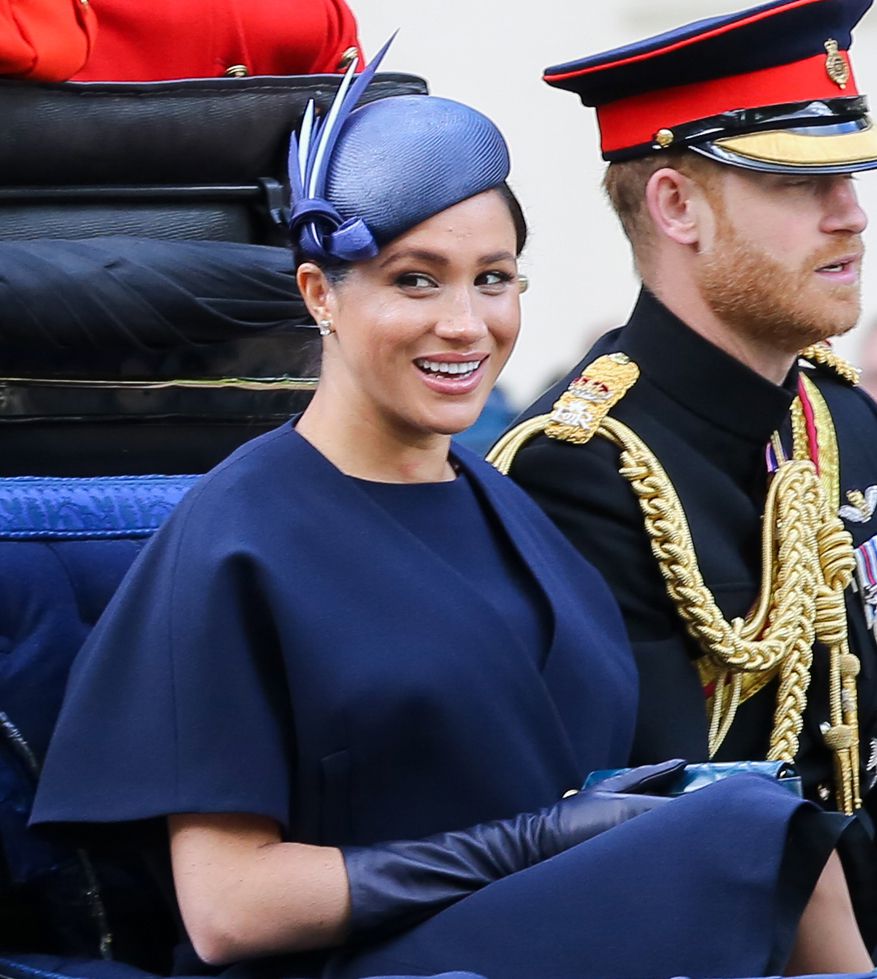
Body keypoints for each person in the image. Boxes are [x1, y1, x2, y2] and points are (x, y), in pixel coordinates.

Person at [28, 44, 875, 979]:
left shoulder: (508, 510)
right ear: (320, 293)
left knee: (781, 837)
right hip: (364, 964)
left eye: (493, 278)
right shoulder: (237, 535)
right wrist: (533, 842)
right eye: (414, 279)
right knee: (758, 834)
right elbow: (230, 909)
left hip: (538, 937)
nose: (466, 324)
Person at [498, 0, 877, 821]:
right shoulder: (581, 468)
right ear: (676, 207)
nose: (849, 212)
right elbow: (668, 821)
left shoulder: (840, 414)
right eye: (799, 181)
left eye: (846, 175)